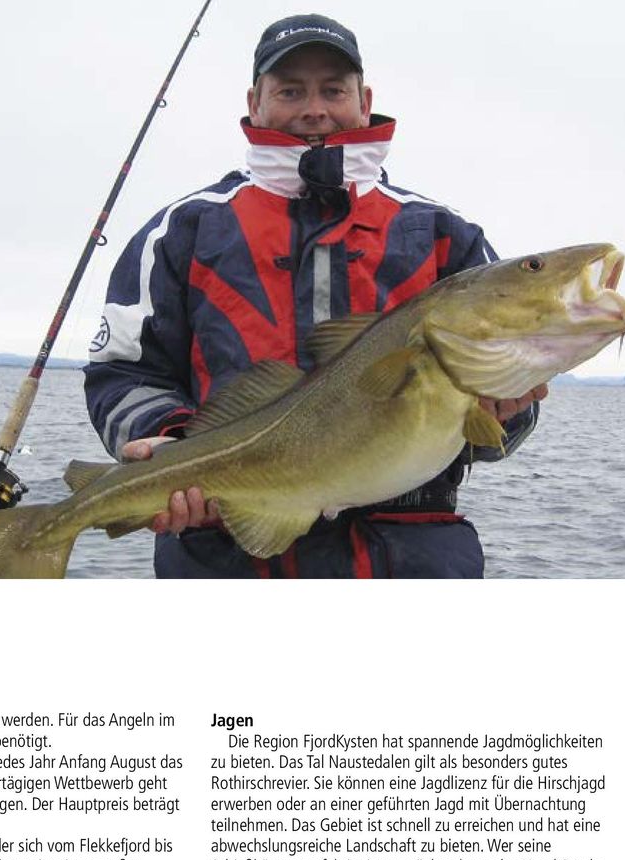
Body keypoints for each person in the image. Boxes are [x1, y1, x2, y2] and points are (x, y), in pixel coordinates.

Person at [84, 14, 547, 578]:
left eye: (333, 89)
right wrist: (168, 440)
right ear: (255, 101)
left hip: (410, 563)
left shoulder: (442, 233)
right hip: (224, 559)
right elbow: (123, 371)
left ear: (363, 99)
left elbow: (497, 436)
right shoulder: (184, 230)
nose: (314, 109)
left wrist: (506, 412)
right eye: (290, 90)